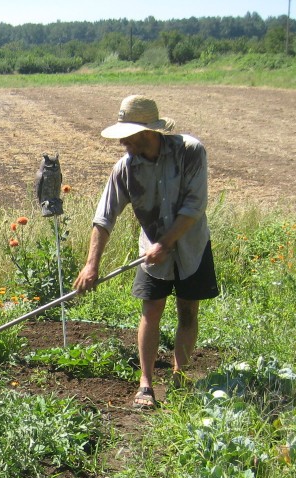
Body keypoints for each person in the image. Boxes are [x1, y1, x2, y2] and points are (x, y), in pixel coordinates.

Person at [73, 94, 219, 410]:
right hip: (151, 252)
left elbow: (194, 206)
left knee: (188, 310)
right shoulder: (124, 169)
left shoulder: (190, 152)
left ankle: (180, 375)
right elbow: (104, 217)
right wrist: (91, 265)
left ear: (147, 132)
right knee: (151, 311)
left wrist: (165, 243)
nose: (122, 142)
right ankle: (146, 385)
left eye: (127, 135)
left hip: (191, 246)